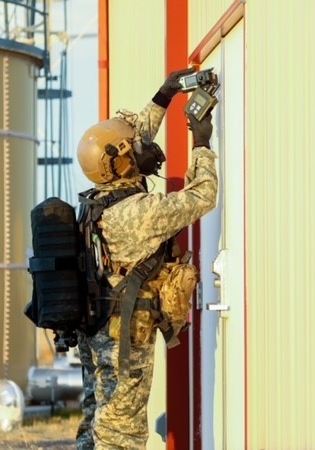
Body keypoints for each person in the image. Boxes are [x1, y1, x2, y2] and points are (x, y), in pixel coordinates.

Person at [74, 69, 218, 449]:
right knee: (121, 435)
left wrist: (164, 94)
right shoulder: (139, 211)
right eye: (134, 146)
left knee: (98, 423)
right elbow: (203, 196)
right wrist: (202, 143)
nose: (144, 145)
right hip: (123, 336)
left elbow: (131, 142)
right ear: (122, 163)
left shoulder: (97, 200)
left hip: (96, 331)